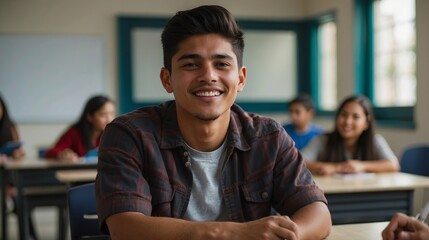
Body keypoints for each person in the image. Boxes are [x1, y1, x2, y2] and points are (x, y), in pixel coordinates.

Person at [95, 5, 331, 240]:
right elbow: (126, 228)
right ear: (167, 79)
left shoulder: (268, 136)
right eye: (190, 65)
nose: (208, 75)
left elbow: (318, 214)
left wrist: (286, 235)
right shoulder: (129, 135)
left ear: (240, 79)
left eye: (222, 64)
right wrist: (232, 233)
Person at [301, 94, 399, 176]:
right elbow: (299, 162)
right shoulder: (323, 139)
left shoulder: (374, 141)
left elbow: (393, 165)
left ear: (366, 123)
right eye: (343, 115)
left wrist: (362, 166)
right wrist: (336, 167)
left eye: (355, 117)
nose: (347, 121)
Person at [45, 95, 115, 161]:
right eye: (103, 114)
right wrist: (62, 155)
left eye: (111, 114)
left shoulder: (112, 134)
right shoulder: (75, 132)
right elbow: (50, 153)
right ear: (90, 117)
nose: (109, 119)